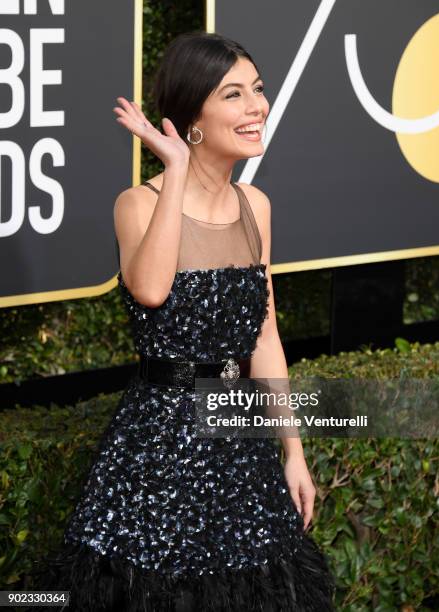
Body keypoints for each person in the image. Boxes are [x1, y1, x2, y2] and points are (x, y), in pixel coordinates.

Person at [30, 31, 336, 611]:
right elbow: (149, 290)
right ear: (192, 117)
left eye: (259, 90)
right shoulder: (138, 203)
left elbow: (264, 337)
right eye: (234, 95)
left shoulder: (256, 206)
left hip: (240, 446)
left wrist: (292, 451)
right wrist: (173, 170)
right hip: (158, 450)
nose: (257, 107)